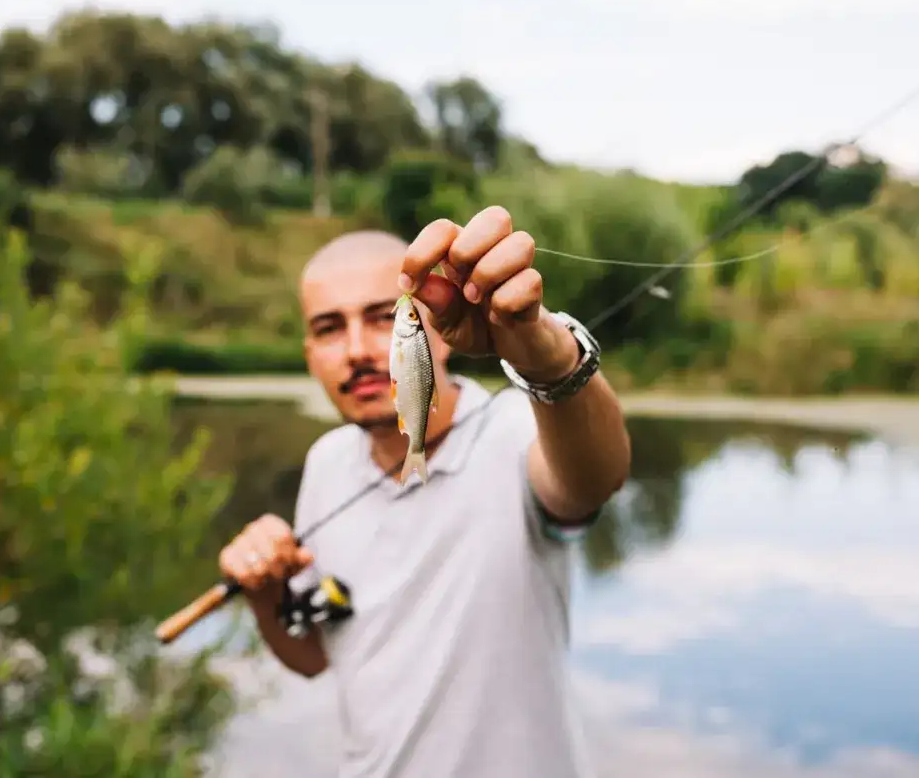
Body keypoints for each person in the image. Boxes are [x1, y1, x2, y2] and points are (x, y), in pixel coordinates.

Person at [217, 206, 632, 778]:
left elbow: (594, 478)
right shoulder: (328, 462)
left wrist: (545, 352)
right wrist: (264, 592)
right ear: (310, 353)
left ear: (440, 329)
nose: (358, 349)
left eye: (387, 317)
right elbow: (316, 656)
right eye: (329, 328)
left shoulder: (517, 429)